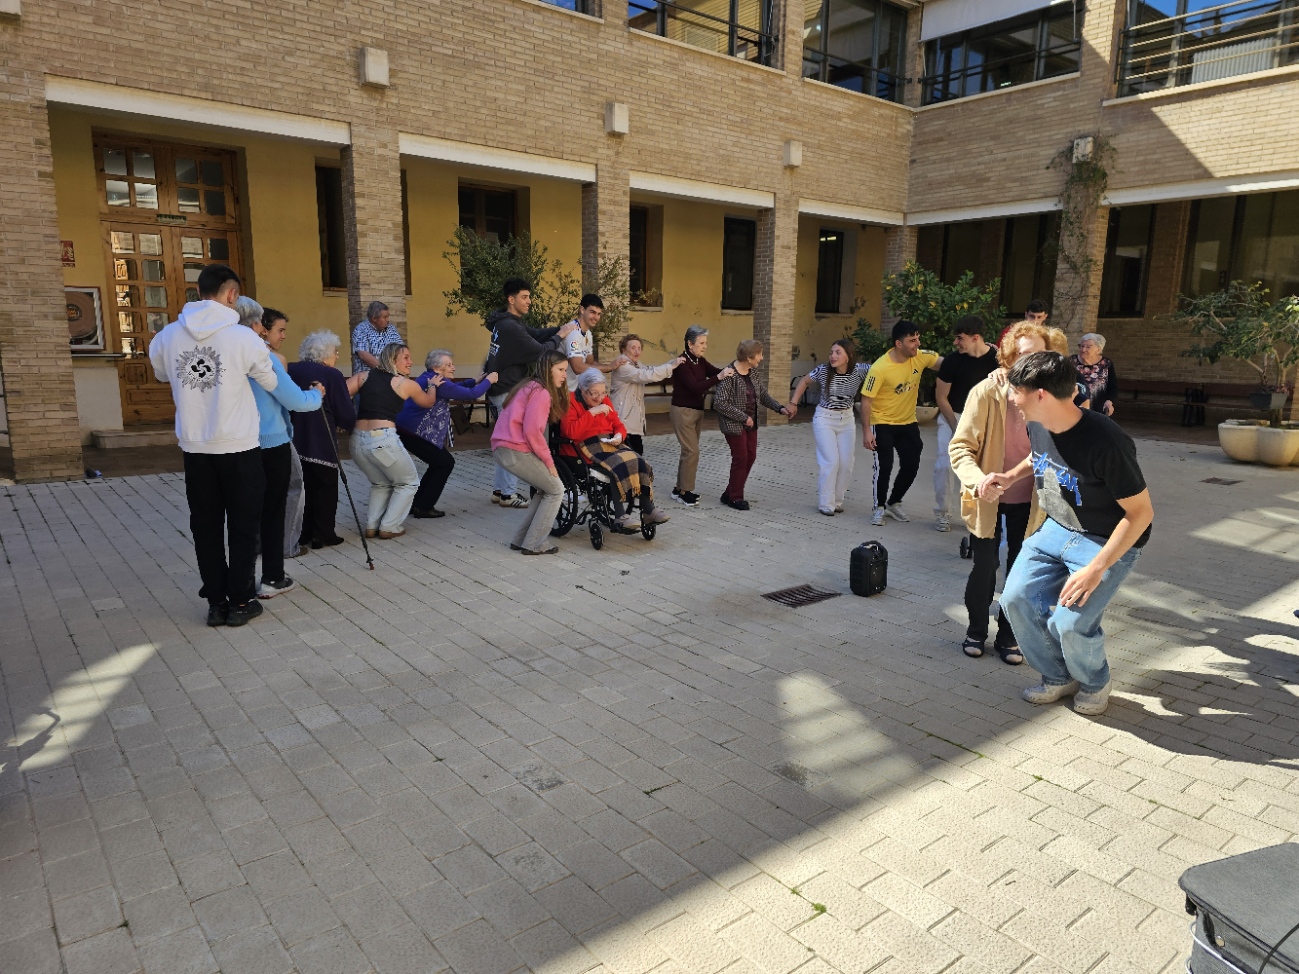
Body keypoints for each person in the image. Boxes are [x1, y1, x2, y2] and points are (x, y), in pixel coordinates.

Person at [987, 351, 1154, 716]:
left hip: (1106, 540)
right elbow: (1038, 457)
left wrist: (1097, 568)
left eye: (1017, 392)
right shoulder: (1037, 422)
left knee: (1071, 622)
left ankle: (1095, 681)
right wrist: (1009, 476)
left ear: (1041, 394)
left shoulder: (1108, 442)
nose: (1013, 400)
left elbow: (1141, 514)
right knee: (1015, 600)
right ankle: (1059, 676)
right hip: (1057, 526)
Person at [149, 265, 279, 627]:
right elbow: (268, 379)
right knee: (243, 525)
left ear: (198, 291)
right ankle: (240, 601)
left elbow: (161, 373)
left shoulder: (168, 336)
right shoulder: (243, 337)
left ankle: (216, 602)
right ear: (233, 295)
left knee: (205, 526)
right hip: (239, 446)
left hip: (196, 448)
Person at [948, 320, 1055, 664]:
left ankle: (1010, 635)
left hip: (1032, 499)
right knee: (984, 566)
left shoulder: (1054, 396)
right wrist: (978, 479)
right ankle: (976, 630)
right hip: (989, 497)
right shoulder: (986, 391)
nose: (1031, 361)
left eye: (1039, 354)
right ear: (1009, 356)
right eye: (1024, 354)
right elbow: (961, 447)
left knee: (1020, 571)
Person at [233, 296, 324, 598]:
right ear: (257, 325)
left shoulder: (222, 354)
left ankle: (239, 585)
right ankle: (272, 577)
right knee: (273, 511)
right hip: (270, 442)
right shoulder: (262, 356)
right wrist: (316, 396)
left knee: (242, 514)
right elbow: (295, 399)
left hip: (233, 443)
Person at [483, 278, 578, 508]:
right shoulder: (510, 327)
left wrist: (560, 329)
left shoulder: (507, 322)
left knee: (505, 437)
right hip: (506, 388)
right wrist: (562, 335)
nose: (529, 301)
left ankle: (500, 490)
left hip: (501, 387)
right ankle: (508, 494)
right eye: (524, 297)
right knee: (514, 439)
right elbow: (541, 351)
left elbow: (536, 333)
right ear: (511, 299)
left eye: (529, 296)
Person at [560, 369, 672, 529]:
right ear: (582, 390)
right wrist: (591, 413)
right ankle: (620, 516)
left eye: (603, 393)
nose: (600, 398)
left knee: (639, 461)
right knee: (616, 466)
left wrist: (619, 435)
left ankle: (648, 511)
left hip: (608, 443)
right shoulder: (571, 402)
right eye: (594, 394)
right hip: (582, 448)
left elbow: (618, 425)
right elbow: (570, 432)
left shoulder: (605, 400)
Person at [350, 343, 438, 540]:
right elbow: (427, 402)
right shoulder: (404, 383)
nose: (411, 362)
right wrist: (432, 386)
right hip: (383, 439)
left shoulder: (363, 377)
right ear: (392, 360)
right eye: (406, 357)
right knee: (408, 482)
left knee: (380, 483)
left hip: (357, 441)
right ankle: (390, 526)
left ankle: (372, 526)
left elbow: (338, 396)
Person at [861, 320, 944, 526]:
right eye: (912, 340)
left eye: (918, 339)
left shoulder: (920, 357)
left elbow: (946, 364)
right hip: (882, 422)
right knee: (885, 466)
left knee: (912, 464)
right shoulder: (879, 368)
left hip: (907, 422)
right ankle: (879, 507)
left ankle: (893, 503)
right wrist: (866, 432)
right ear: (899, 344)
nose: (917, 344)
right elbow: (866, 400)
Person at [396, 350, 496, 519]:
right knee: (444, 463)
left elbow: (456, 388)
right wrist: (489, 380)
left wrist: (475, 381)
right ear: (436, 367)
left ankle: (418, 503)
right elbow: (471, 395)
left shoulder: (430, 377)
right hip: (415, 432)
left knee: (439, 463)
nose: (453, 368)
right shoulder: (438, 382)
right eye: (448, 365)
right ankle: (423, 506)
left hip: (408, 430)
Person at [490, 349, 571, 555]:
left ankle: (521, 540)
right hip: (514, 449)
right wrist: (549, 462)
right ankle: (535, 543)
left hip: (503, 448)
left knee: (545, 490)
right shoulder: (542, 392)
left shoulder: (529, 386)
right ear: (547, 368)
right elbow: (533, 432)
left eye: (565, 370)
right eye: (560, 370)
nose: (564, 375)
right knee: (556, 490)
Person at [288, 331, 358, 549]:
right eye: (336, 352)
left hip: (293, 437)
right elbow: (345, 413)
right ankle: (323, 534)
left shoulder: (290, 369)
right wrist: (351, 425)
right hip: (321, 438)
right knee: (325, 487)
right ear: (326, 354)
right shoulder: (332, 375)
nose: (336, 357)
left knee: (303, 487)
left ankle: (304, 532)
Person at [787, 340, 868, 516]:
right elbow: (804, 382)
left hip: (847, 419)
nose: (833, 356)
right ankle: (826, 503)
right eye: (832, 352)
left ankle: (837, 501)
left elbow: (882, 371)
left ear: (849, 355)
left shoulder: (860, 370)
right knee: (831, 462)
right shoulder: (823, 370)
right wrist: (793, 403)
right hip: (825, 418)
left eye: (838, 352)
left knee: (847, 463)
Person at [933, 316, 999, 532]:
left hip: (985, 420)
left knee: (980, 470)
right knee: (944, 466)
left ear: (975, 338)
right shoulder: (952, 361)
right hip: (954, 417)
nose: (956, 343)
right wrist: (956, 426)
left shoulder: (998, 359)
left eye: (960, 338)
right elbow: (941, 397)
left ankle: (975, 516)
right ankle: (943, 514)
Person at [712, 339, 792, 511]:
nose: (762, 358)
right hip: (734, 424)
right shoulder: (729, 374)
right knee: (741, 458)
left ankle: (729, 493)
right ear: (749, 357)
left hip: (751, 423)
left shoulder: (752, 372)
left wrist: (780, 408)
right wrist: (742, 417)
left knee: (751, 456)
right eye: (760, 354)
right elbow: (719, 403)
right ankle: (735, 498)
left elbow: (762, 394)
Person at [260, 306, 307, 562]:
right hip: (274, 434)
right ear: (262, 330)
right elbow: (291, 399)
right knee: (293, 486)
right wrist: (316, 395)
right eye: (280, 330)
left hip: (247, 436)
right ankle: (286, 545)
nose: (284, 336)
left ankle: (263, 543)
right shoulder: (272, 360)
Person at [670, 325, 735, 506]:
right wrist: (720, 377)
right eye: (701, 343)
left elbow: (715, 371)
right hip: (683, 411)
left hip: (697, 411)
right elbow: (695, 387)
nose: (704, 346)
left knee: (688, 452)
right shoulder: (683, 363)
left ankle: (678, 489)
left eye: (705, 342)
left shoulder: (699, 361)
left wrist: (733, 369)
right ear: (690, 344)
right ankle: (685, 492)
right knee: (692, 451)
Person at [609, 334, 683, 456]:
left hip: (631, 422)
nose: (637, 351)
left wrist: (673, 363)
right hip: (623, 420)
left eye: (639, 348)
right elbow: (647, 375)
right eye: (633, 348)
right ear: (623, 349)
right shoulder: (623, 366)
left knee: (635, 456)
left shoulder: (636, 364)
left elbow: (650, 369)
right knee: (628, 458)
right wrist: (671, 366)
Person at [562, 294, 616, 391]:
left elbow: (590, 363)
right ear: (582, 310)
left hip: (575, 390)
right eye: (593, 312)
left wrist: (613, 366)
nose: (596, 317)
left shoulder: (588, 334)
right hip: (563, 391)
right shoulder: (573, 333)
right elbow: (577, 367)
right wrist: (608, 368)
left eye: (599, 314)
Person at [351, 301, 403, 376]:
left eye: (388, 316)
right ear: (374, 318)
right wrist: (387, 370)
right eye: (385, 317)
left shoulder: (391, 328)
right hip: (368, 377)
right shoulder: (361, 330)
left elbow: (401, 349)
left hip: (391, 375)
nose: (388, 320)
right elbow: (363, 355)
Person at [1073, 333, 1118, 417]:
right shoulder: (1071, 362)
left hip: (1098, 409)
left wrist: (1109, 401)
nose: (1083, 350)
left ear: (1098, 349)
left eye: (1088, 347)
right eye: (1081, 346)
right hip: (1074, 408)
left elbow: (1112, 385)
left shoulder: (1106, 364)